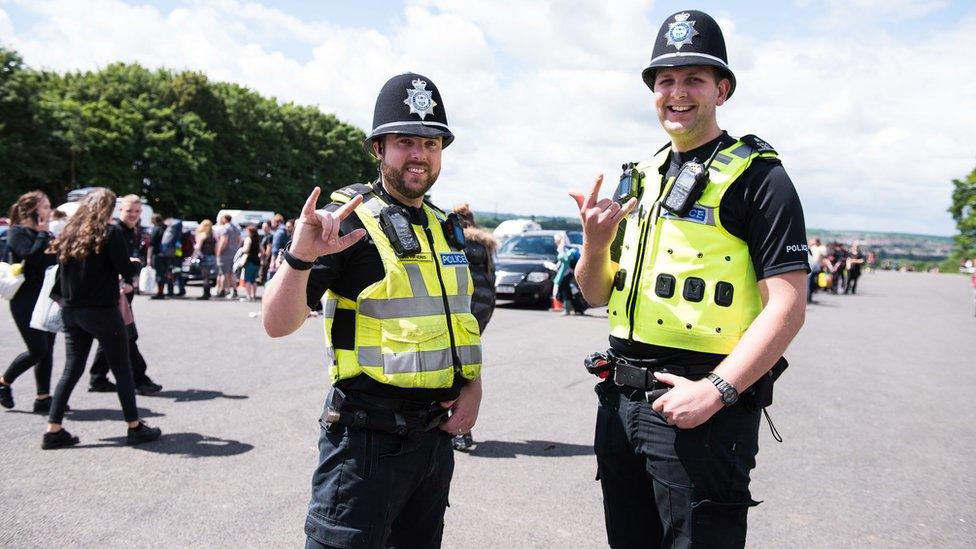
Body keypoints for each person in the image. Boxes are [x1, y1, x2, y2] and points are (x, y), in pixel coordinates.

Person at [571, 10, 808, 547]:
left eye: (694, 79)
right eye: (666, 81)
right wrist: (595, 243)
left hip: (702, 406)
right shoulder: (643, 176)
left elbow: (789, 307)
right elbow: (594, 293)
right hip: (620, 400)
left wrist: (717, 391)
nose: (678, 92)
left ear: (722, 90)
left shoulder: (760, 177)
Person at [263, 72, 483, 548]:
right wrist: (300, 256)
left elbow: (456, 321)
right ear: (378, 149)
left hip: (432, 444)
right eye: (405, 141)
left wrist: (473, 386)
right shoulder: (347, 220)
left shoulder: (444, 225)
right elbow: (277, 324)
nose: (420, 154)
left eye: (431, 142)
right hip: (364, 446)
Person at [42, 188, 161, 449]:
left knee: (71, 370)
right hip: (102, 310)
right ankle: (134, 426)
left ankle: (53, 429)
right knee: (122, 369)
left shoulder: (70, 233)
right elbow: (125, 268)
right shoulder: (109, 233)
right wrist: (136, 263)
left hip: (72, 310)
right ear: (108, 209)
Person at [88, 195, 163, 395]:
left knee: (113, 335)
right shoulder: (116, 231)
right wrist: (129, 275)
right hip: (114, 293)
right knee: (126, 336)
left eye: (137, 212)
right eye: (130, 211)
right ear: (120, 210)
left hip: (122, 292)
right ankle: (139, 379)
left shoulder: (132, 231)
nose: (133, 215)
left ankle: (98, 377)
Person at [0, 191, 58, 413]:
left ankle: (43, 397)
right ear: (32, 210)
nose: (49, 211)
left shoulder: (48, 234)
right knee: (38, 349)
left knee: (48, 349)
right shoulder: (17, 233)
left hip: (47, 299)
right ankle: (4, 381)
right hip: (24, 300)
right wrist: (43, 235)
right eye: (45, 207)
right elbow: (31, 258)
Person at [451, 202, 497, 451]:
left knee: (456, 369)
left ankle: (461, 430)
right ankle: (462, 429)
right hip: (483, 309)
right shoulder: (485, 244)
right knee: (466, 365)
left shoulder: (459, 243)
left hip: (464, 310)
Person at [214, 214, 241, 299]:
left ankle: (223, 290)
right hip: (234, 253)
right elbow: (240, 239)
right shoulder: (236, 228)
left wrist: (219, 251)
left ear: (225, 219)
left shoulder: (225, 228)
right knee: (232, 273)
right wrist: (236, 247)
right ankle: (234, 291)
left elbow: (224, 241)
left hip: (225, 254)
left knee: (223, 273)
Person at [194, 219, 218, 300]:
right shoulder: (213, 236)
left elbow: (198, 247)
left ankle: (206, 294)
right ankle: (208, 293)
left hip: (204, 256)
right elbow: (216, 247)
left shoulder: (202, 235)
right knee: (209, 276)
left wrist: (194, 255)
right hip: (212, 257)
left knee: (205, 277)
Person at [147, 214, 168, 300]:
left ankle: (160, 292)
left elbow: (151, 243)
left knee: (159, 274)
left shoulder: (156, 228)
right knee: (163, 273)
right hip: (166, 254)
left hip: (157, 254)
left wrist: (148, 257)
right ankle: (162, 291)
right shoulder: (165, 228)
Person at [240, 225, 260, 302]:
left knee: (247, 279)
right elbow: (262, 251)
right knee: (253, 280)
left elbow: (246, 249)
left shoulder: (248, 239)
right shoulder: (257, 240)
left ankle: (248, 296)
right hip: (257, 261)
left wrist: (242, 249)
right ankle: (253, 295)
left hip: (250, 260)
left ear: (250, 232)